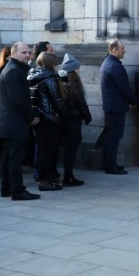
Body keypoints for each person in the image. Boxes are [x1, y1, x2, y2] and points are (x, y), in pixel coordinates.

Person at [0, 42, 41, 200]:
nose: (27, 55)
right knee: (14, 157)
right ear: (13, 54)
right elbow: (19, 99)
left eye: (28, 53)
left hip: (9, 121)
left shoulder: (14, 69)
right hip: (13, 122)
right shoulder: (14, 71)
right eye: (23, 53)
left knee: (9, 156)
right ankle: (17, 190)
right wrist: (31, 117)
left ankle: (6, 188)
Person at [28, 52, 68, 191]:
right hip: (50, 117)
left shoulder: (33, 75)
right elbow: (57, 100)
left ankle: (43, 177)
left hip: (40, 117)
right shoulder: (49, 78)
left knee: (42, 150)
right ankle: (45, 181)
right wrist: (65, 115)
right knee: (47, 151)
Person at [100, 39, 137, 174]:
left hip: (111, 106)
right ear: (114, 50)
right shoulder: (114, 66)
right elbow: (124, 88)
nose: (124, 50)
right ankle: (110, 165)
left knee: (111, 136)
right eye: (122, 48)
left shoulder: (108, 63)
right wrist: (134, 101)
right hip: (116, 107)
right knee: (114, 137)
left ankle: (109, 164)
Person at [59, 53, 92, 186]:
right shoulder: (73, 82)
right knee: (71, 149)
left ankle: (68, 175)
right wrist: (87, 116)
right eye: (77, 68)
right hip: (73, 120)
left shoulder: (61, 80)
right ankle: (68, 177)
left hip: (66, 119)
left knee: (69, 148)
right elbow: (80, 102)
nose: (79, 70)